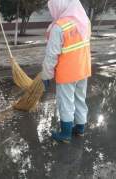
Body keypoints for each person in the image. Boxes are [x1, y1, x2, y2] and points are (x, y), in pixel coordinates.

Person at [41, 0, 91, 143]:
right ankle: (80, 129)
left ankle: (65, 134)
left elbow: (51, 55)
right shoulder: (85, 21)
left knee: (66, 102)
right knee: (80, 98)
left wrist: (46, 75)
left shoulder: (59, 27)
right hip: (83, 69)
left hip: (67, 73)